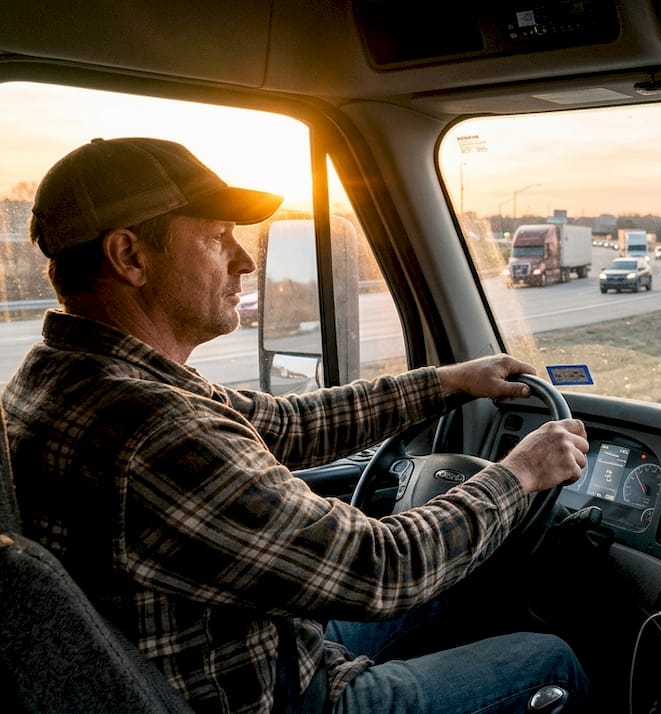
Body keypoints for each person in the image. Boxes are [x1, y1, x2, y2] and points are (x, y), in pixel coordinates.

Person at [2, 137, 592, 713]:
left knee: (460, 593)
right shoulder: (153, 432)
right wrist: (520, 474)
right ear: (130, 256)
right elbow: (382, 568)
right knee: (551, 659)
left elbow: (282, 424)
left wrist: (445, 382)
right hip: (279, 694)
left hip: (254, 650)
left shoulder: (68, 377)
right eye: (215, 238)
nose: (245, 260)